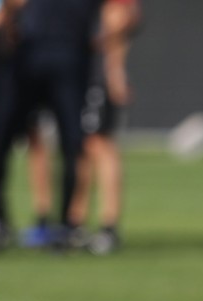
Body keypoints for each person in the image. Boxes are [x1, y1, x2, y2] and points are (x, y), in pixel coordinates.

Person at [0, 0, 101, 250]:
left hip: (67, 56)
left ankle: (68, 223)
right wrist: (6, 26)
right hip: (27, 57)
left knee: (73, 144)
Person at [69, 0, 140, 255]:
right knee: (83, 147)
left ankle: (108, 226)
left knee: (100, 143)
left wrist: (114, 71)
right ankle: (75, 222)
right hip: (79, 68)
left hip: (98, 73)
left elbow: (120, 20)